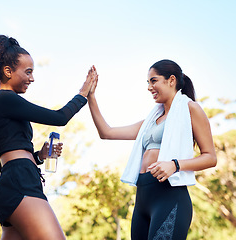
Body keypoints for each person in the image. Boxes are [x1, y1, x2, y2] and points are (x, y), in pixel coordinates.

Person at [0, 35, 95, 240]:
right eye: (28, 72)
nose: (32, 78)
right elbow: (59, 117)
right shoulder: (4, 99)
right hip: (20, 182)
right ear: (8, 71)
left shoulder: (3, 104)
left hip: (14, 181)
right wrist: (82, 95)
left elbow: (10, 152)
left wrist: (40, 156)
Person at [87, 60, 217, 239]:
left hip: (170, 197)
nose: (149, 87)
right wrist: (91, 97)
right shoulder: (150, 121)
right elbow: (106, 132)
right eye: (148, 82)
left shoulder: (190, 109)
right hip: (142, 198)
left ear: (171, 80)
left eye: (153, 80)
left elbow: (210, 157)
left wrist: (175, 165)